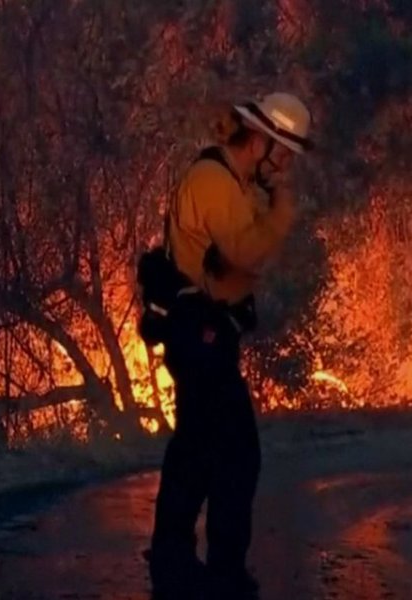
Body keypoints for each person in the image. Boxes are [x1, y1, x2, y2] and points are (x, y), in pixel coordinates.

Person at [146, 92, 314, 599]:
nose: (283, 166)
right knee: (237, 453)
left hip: (201, 331)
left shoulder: (224, 180)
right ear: (260, 140)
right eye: (282, 153)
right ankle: (221, 574)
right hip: (198, 333)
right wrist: (281, 212)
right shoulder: (215, 183)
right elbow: (246, 251)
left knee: (198, 449)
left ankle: (176, 560)